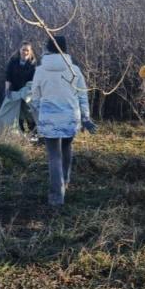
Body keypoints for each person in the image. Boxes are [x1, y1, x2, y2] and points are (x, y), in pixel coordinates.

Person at [31, 36, 97, 207]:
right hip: (70, 118)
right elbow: (83, 95)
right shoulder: (74, 69)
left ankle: (56, 197)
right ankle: (66, 181)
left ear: (48, 48)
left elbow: (35, 98)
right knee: (67, 147)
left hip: (49, 118)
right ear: (65, 49)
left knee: (54, 156)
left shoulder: (40, 69)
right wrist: (86, 118)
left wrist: (37, 118)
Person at [5, 42, 37, 135]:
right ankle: (20, 134)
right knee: (17, 113)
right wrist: (7, 90)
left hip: (27, 93)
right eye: (23, 49)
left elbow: (34, 80)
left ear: (30, 51)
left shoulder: (33, 63)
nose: (25, 52)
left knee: (28, 112)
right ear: (20, 50)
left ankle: (33, 134)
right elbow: (8, 76)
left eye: (27, 50)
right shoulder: (13, 62)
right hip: (15, 91)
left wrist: (29, 92)